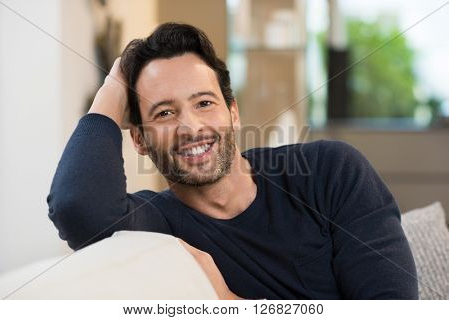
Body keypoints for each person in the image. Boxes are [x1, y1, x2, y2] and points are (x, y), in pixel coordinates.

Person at [47, 23, 418, 300]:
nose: (190, 127)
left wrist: (230, 305)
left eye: (204, 103)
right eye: (164, 113)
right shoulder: (155, 225)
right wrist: (111, 91)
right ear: (140, 140)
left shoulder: (330, 171)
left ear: (234, 113)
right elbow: (78, 208)